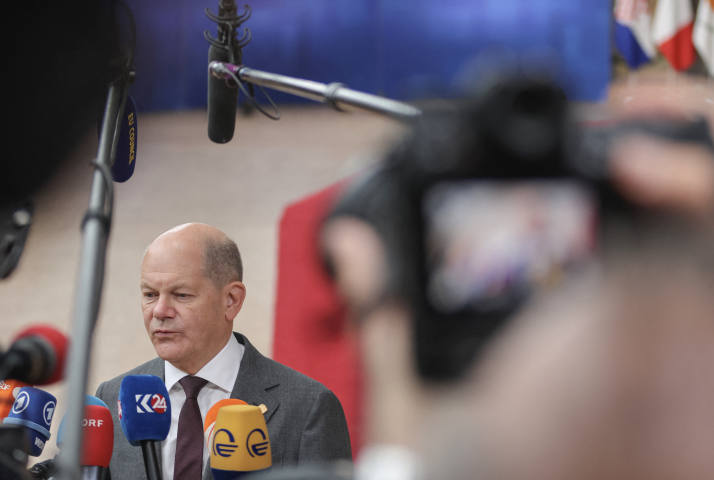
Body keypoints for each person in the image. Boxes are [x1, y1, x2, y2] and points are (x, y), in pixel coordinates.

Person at [95, 223, 352, 480]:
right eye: (150, 294)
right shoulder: (112, 398)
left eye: (181, 295)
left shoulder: (308, 406)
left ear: (231, 300)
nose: (160, 311)